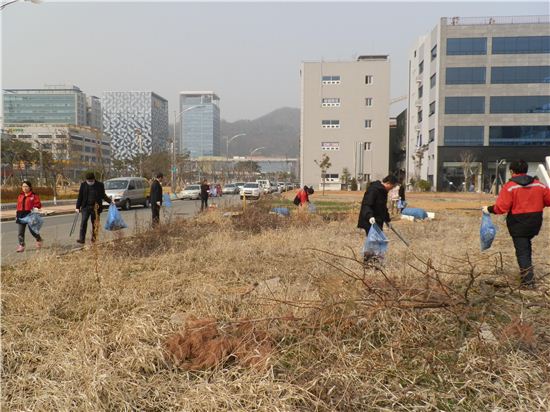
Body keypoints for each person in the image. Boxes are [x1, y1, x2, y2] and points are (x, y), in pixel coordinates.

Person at [482, 160, 550, 289]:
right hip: (535, 221)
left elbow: (501, 208)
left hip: (518, 223)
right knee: (526, 247)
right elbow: (548, 200)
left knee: (522, 251)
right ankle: (528, 275)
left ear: (512, 171)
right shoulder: (539, 185)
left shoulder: (510, 186)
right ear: (526, 169)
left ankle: (528, 283)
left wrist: (489, 209)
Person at [75, 172, 112, 244]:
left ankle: (94, 239)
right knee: (83, 222)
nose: (90, 182)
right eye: (88, 181)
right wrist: (77, 207)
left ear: (94, 179)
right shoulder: (83, 185)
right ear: (86, 180)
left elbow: (103, 195)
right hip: (85, 207)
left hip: (96, 208)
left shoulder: (100, 185)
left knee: (95, 224)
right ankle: (82, 239)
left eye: (91, 181)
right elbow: (80, 197)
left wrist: (110, 202)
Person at [15, 180, 43, 252]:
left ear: (30, 187)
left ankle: (38, 239)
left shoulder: (34, 195)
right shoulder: (20, 196)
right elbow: (18, 206)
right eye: (23, 186)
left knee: (33, 231)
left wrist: (35, 208)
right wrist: (17, 215)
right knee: (20, 232)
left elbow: (38, 204)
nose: (24, 188)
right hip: (21, 215)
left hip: (30, 215)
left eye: (26, 186)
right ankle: (21, 245)